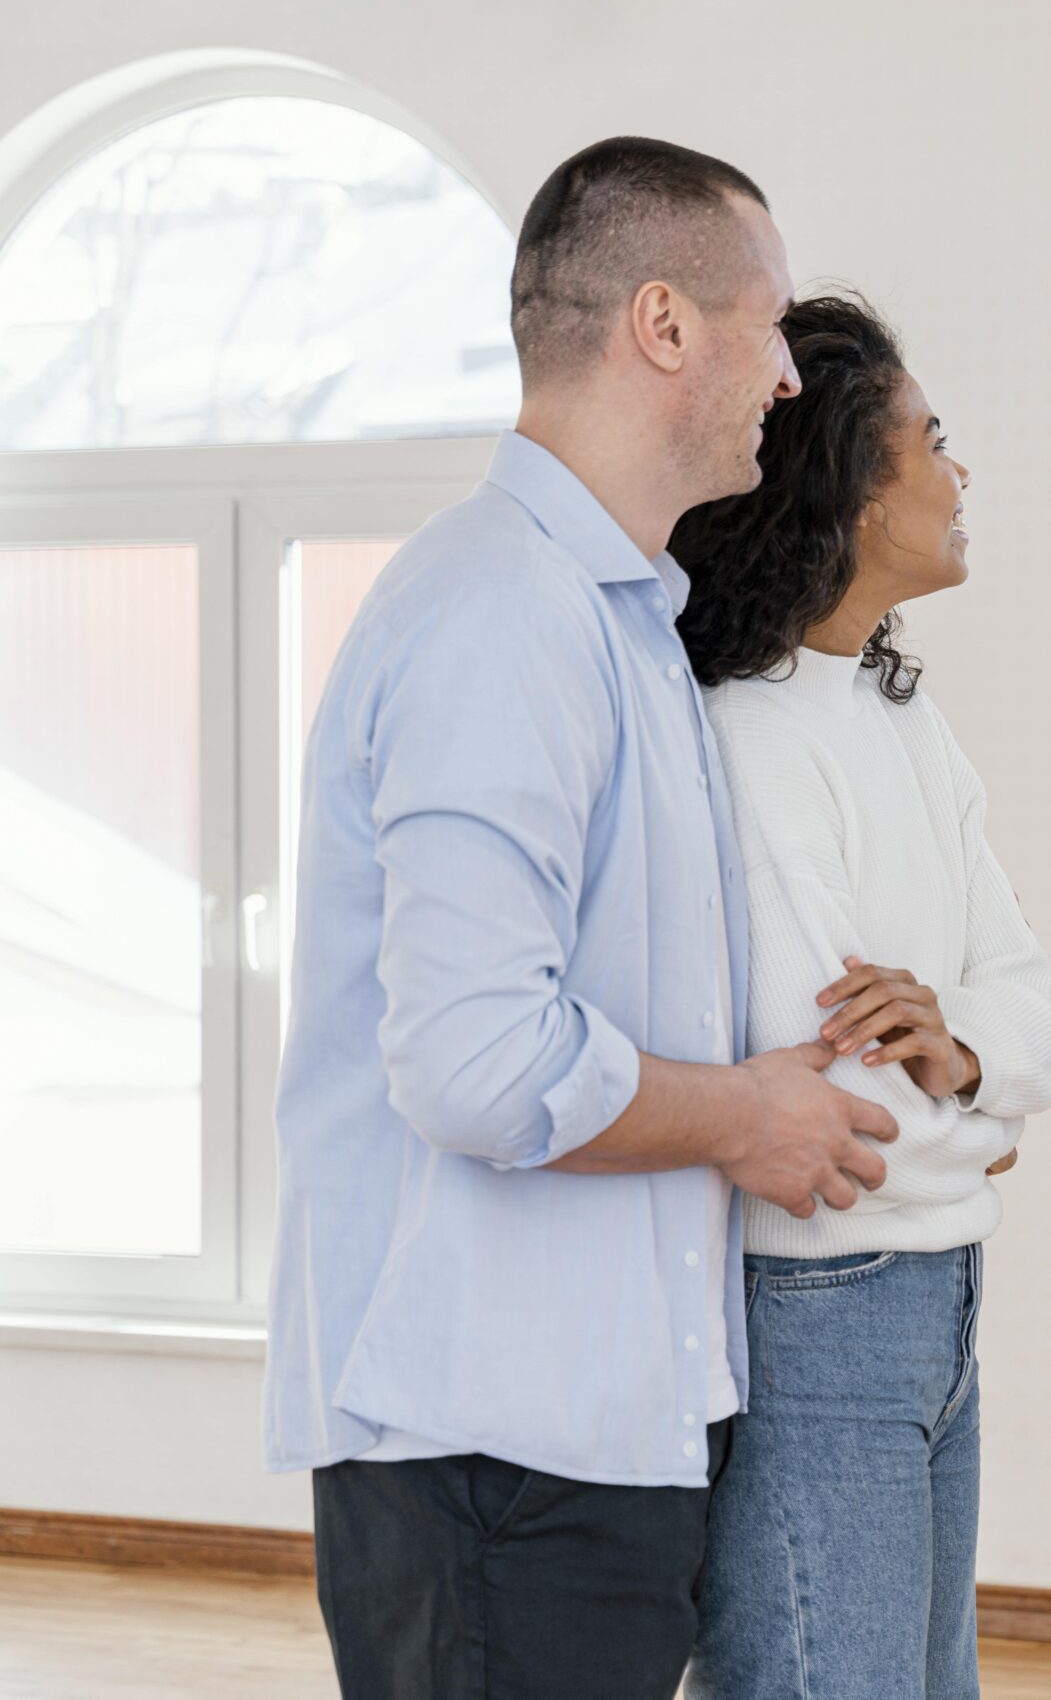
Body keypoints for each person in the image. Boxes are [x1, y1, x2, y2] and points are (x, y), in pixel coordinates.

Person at [263, 139, 904, 1700]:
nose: (784, 379)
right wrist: (745, 1116)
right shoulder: (505, 618)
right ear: (667, 326)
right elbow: (476, 1063)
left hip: (583, 1443)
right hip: (494, 1462)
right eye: (765, 332)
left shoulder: (615, 622)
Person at [671, 291, 1051, 1700]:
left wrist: (964, 1063)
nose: (960, 475)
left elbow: (1031, 998)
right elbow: (833, 1117)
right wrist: (986, 1112)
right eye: (932, 442)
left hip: (941, 1295)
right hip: (823, 1306)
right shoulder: (752, 738)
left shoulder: (902, 715)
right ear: (846, 486)